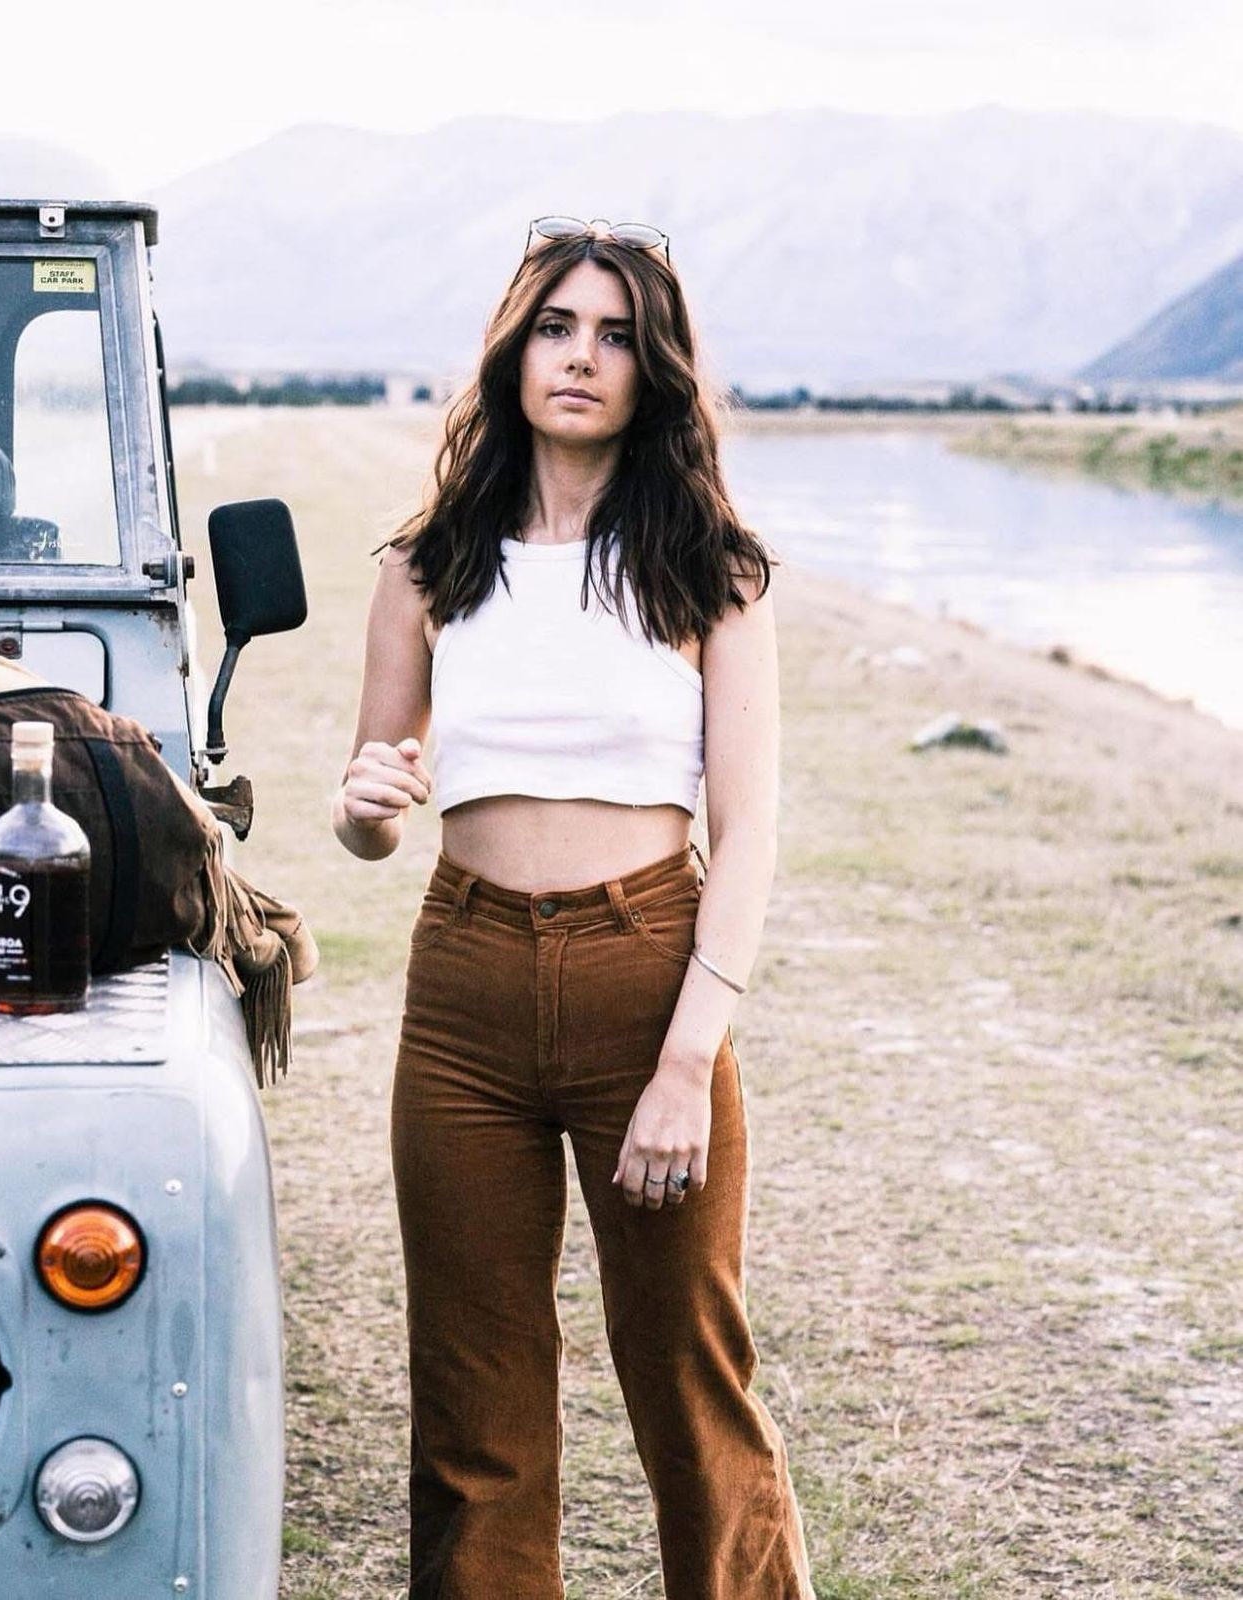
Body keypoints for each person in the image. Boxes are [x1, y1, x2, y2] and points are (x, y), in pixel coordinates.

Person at [332, 216, 815, 1599]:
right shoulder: (427, 564)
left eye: (613, 334)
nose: (581, 357)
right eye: (555, 325)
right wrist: (361, 810)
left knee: (687, 1380)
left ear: (652, 369)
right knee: (472, 1395)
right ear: (511, 348)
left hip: (645, 971)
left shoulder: (710, 567)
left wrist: (683, 1065)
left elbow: (753, 829)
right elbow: (369, 811)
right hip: (463, 985)